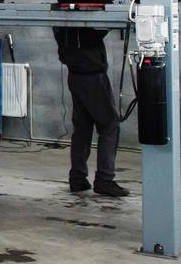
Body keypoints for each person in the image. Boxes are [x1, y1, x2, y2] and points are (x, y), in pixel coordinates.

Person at [53, 26, 128, 197]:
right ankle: (105, 180)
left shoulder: (59, 22)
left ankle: (77, 178)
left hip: (75, 75)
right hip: (93, 76)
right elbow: (94, 32)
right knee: (110, 125)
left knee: (82, 128)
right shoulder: (81, 24)